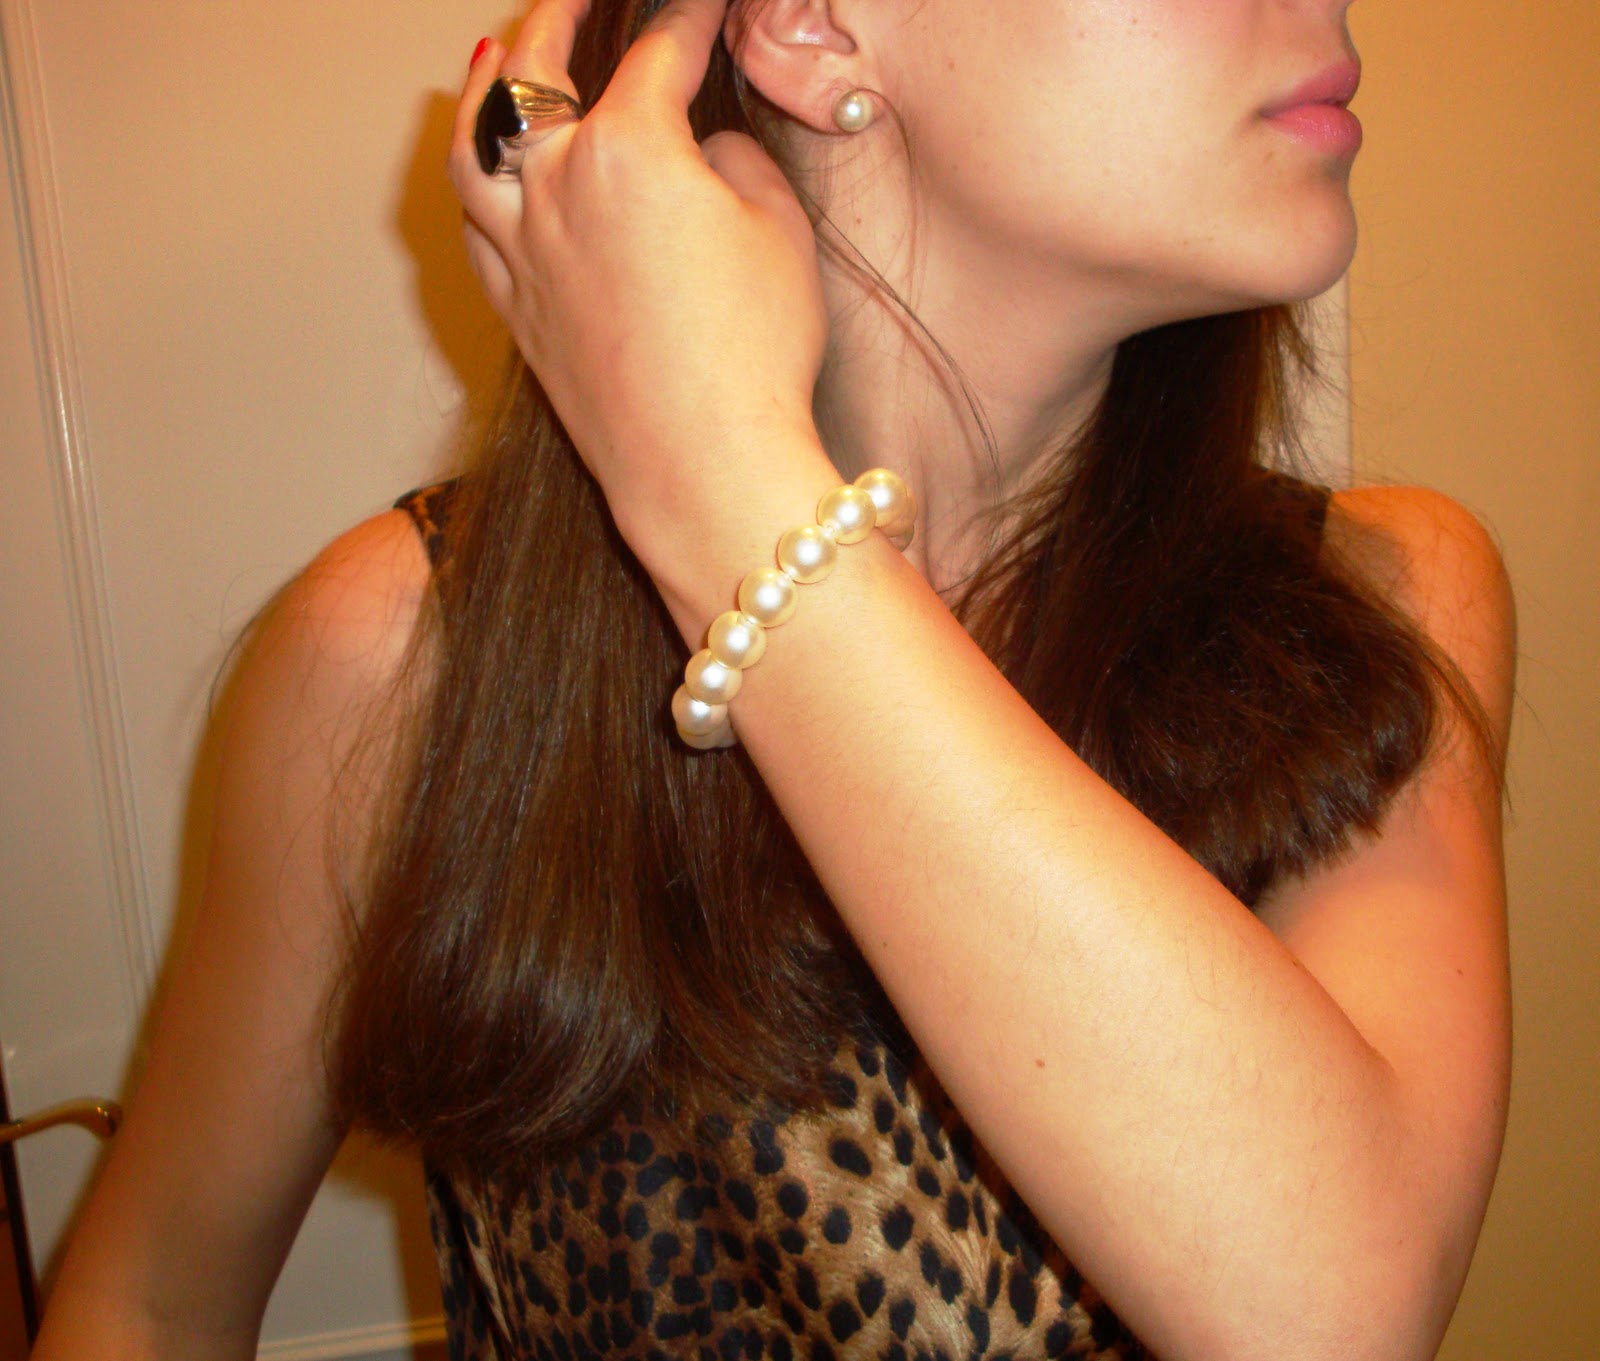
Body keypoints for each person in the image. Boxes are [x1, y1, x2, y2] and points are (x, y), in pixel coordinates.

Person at [33, 0, 1515, 1356]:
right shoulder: (404, 656)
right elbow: (149, 1302)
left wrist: (720, 482)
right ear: (812, 23)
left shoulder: (1380, 605)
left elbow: (1327, 1311)